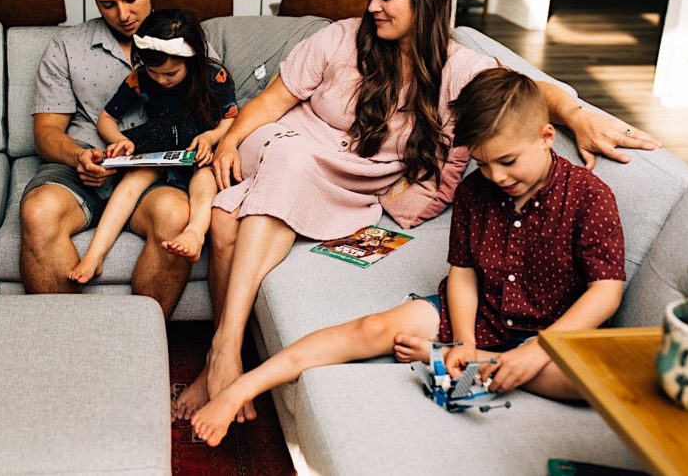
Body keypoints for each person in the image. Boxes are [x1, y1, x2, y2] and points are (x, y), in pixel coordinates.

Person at [172, 0, 656, 424]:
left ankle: (220, 355)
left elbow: (524, 90)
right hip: (289, 143)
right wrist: (233, 138)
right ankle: (226, 351)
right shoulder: (340, 38)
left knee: (223, 222)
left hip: (353, 179)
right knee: (289, 162)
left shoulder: (458, 67)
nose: (371, 7)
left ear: (423, 1)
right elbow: (271, 104)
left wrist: (577, 111)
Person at [190, 67, 626, 446]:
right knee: (373, 327)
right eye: (484, 164)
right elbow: (463, 274)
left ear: (546, 136)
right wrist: (464, 342)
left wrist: (536, 352)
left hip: (556, 333)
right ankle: (242, 386)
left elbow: (605, 292)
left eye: (507, 162)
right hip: (482, 317)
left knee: (591, 383)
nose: (496, 176)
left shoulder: (589, 196)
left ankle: (476, 363)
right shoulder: (477, 191)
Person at [19, 0, 204, 317]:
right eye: (108, 4)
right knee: (38, 212)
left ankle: (138, 345)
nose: (123, 14)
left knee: (174, 214)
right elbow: (46, 133)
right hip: (84, 168)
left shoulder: (184, 40)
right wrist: (79, 156)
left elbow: (213, 109)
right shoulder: (66, 46)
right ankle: (66, 346)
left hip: (155, 176)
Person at [67, 8, 239, 283]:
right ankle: (95, 254)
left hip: (201, 152)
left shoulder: (213, 77)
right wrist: (120, 140)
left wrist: (211, 138)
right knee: (133, 180)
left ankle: (194, 232)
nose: (161, 79)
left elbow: (232, 119)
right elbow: (107, 118)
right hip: (161, 146)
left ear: (192, 61)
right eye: (154, 71)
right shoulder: (140, 77)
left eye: (170, 73)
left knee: (205, 182)